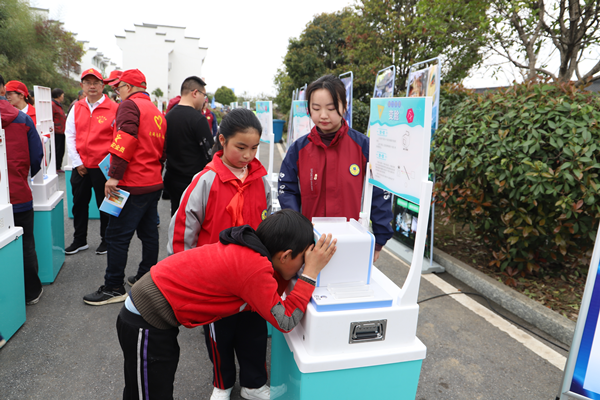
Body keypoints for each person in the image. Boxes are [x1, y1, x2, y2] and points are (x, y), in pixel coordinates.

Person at [119, 209, 336, 399]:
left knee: (144, 390)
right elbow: (286, 320)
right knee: (149, 394)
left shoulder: (250, 251)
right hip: (146, 318)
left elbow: (267, 294)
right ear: (286, 255)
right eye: (303, 260)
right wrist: (310, 274)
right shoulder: (254, 268)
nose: (303, 266)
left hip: (152, 317)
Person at [167, 108, 272, 400]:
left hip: (251, 277)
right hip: (215, 280)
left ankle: (254, 384)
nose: (248, 155)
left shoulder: (262, 181)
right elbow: (183, 229)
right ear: (222, 140)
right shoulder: (206, 181)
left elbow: (268, 225)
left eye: (254, 148)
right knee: (218, 335)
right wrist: (184, 279)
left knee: (253, 332)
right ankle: (222, 383)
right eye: (241, 147)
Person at [278, 74, 393, 262]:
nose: (323, 115)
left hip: (352, 243)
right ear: (308, 109)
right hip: (309, 244)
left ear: (344, 106)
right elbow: (287, 190)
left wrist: (379, 240)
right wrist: (298, 232)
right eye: (316, 108)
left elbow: (380, 194)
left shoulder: (364, 147)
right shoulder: (298, 150)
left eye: (331, 108)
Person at [83, 69, 166, 306]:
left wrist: (114, 176)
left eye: (118, 88)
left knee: (116, 235)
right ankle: (146, 276)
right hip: (151, 182)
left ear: (128, 87)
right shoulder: (157, 112)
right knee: (149, 233)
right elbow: (162, 150)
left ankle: (113, 287)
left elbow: (125, 137)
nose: (116, 93)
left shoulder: (129, 106)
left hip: (129, 184)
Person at [65, 68, 119, 256]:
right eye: (88, 82)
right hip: (80, 165)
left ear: (103, 85)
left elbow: (117, 140)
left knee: (106, 204)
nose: (92, 86)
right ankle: (80, 240)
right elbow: (70, 135)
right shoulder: (77, 106)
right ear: (82, 86)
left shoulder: (114, 108)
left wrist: (112, 168)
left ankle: (107, 239)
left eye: (96, 82)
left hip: (103, 166)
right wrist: (78, 161)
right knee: (79, 203)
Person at [1, 79, 45, 305]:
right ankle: (31, 292)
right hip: (19, 194)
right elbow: (37, 157)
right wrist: (21, 176)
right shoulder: (23, 119)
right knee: (26, 242)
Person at [164, 76, 213, 215]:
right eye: (204, 95)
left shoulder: (168, 117)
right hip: (193, 182)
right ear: (195, 93)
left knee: (176, 218)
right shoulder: (198, 120)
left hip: (172, 179)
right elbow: (210, 153)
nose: (204, 99)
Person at [51, 88, 66, 172]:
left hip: (61, 130)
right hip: (56, 131)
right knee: (56, 149)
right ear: (58, 96)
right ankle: (55, 167)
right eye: (62, 95)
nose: (63, 97)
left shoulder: (58, 104)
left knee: (61, 150)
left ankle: (58, 166)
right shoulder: (52, 105)